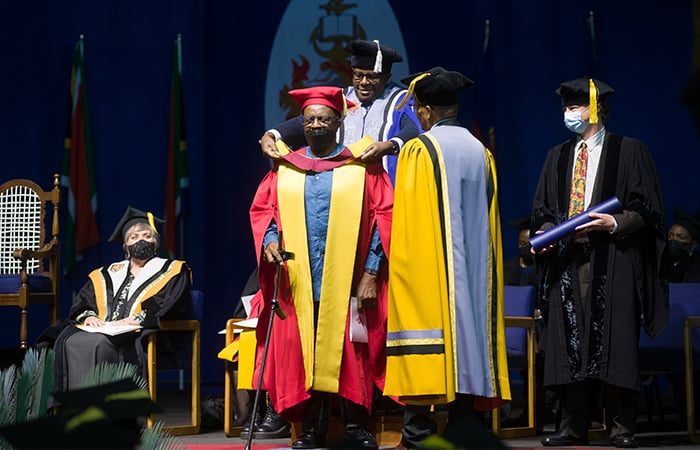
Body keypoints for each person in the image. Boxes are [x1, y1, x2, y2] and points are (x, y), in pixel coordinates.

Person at [249, 85, 394, 449]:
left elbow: (384, 217)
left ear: (338, 122)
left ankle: (357, 426)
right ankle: (311, 429)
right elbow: (267, 210)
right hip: (300, 281)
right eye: (310, 119)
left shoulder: (362, 166)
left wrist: (372, 272)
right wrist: (269, 241)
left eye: (324, 119)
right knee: (308, 353)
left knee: (352, 353)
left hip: (349, 280)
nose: (316, 125)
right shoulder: (286, 168)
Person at [532, 77, 668, 448]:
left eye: (573, 107)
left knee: (616, 343)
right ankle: (572, 426)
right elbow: (543, 208)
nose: (567, 113)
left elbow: (648, 208)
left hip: (615, 258)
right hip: (567, 262)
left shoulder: (629, 150)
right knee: (568, 343)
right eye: (565, 107)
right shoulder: (557, 156)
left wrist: (615, 222)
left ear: (595, 109)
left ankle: (621, 428)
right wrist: (544, 233)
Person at [383, 67, 510, 449]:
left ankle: (417, 432)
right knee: (468, 341)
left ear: (424, 112)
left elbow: (408, 217)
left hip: (432, 267)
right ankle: (463, 428)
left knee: (426, 337)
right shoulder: (481, 151)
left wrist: (403, 269)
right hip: (474, 269)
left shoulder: (420, 149)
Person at [41, 206, 193, 394]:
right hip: (104, 329)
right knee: (72, 341)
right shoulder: (107, 273)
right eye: (134, 237)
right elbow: (84, 301)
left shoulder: (172, 270)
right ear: (126, 246)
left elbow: (171, 301)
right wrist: (89, 317)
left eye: (147, 236)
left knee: (98, 343)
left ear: (155, 242)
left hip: (141, 334)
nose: (141, 241)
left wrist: (137, 318)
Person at [259, 39, 421, 183]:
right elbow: (303, 122)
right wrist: (272, 135)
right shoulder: (340, 98)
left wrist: (390, 146)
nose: (363, 82)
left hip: (384, 189)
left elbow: (414, 129)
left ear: (386, 78)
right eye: (358, 75)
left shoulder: (401, 99)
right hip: (341, 187)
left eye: (372, 77)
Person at [661, 207, 700, 283]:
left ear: (693, 244)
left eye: (681, 237)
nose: (674, 240)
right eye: (670, 236)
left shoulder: (697, 264)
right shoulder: (659, 262)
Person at [504, 216, 538, 287]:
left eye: (530, 244)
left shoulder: (540, 271)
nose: (526, 248)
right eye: (522, 244)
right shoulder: (506, 268)